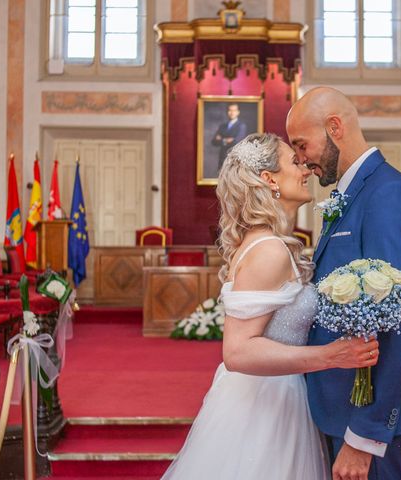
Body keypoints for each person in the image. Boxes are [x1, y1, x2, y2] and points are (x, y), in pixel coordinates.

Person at [161, 133, 380, 480]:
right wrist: (331, 356)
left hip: (277, 394)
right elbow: (238, 352)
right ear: (269, 179)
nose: (306, 168)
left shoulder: (271, 243)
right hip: (265, 405)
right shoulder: (269, 250)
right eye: (295, 162)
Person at [286, 87, 401, 480]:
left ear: (335, 127)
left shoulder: (388, 194)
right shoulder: (349, 193)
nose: (300, 159)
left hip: (363, 416)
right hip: (336, 403)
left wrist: (363, 437)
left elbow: (399, 323)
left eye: (302, 145)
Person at [211, 103, 248, 170]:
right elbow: (214, 141)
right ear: (227, 112)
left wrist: (221, 139)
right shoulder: (222, 126)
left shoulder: (241, 126)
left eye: (234, 110)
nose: (232, 113)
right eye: (230, 110)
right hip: (222, 159)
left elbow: (237, 142)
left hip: (234, 160)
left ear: (238, 112)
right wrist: (226, 140)